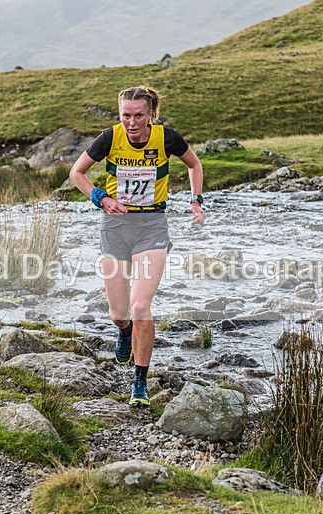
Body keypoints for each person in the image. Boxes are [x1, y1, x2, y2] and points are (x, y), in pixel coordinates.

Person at [69, 84, 206, 407]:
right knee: (119, 313)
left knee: (141, 305)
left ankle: (139, 382)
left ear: (151, 115)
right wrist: (101, 198)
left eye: (138, 115)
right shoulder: (109, 138)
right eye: (126, 115)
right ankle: (124, 330)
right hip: (115, 228)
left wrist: (196, 199)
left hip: (152, 226)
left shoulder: (166, 138)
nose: (131, 122)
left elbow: (194, 165)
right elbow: (77, 173)